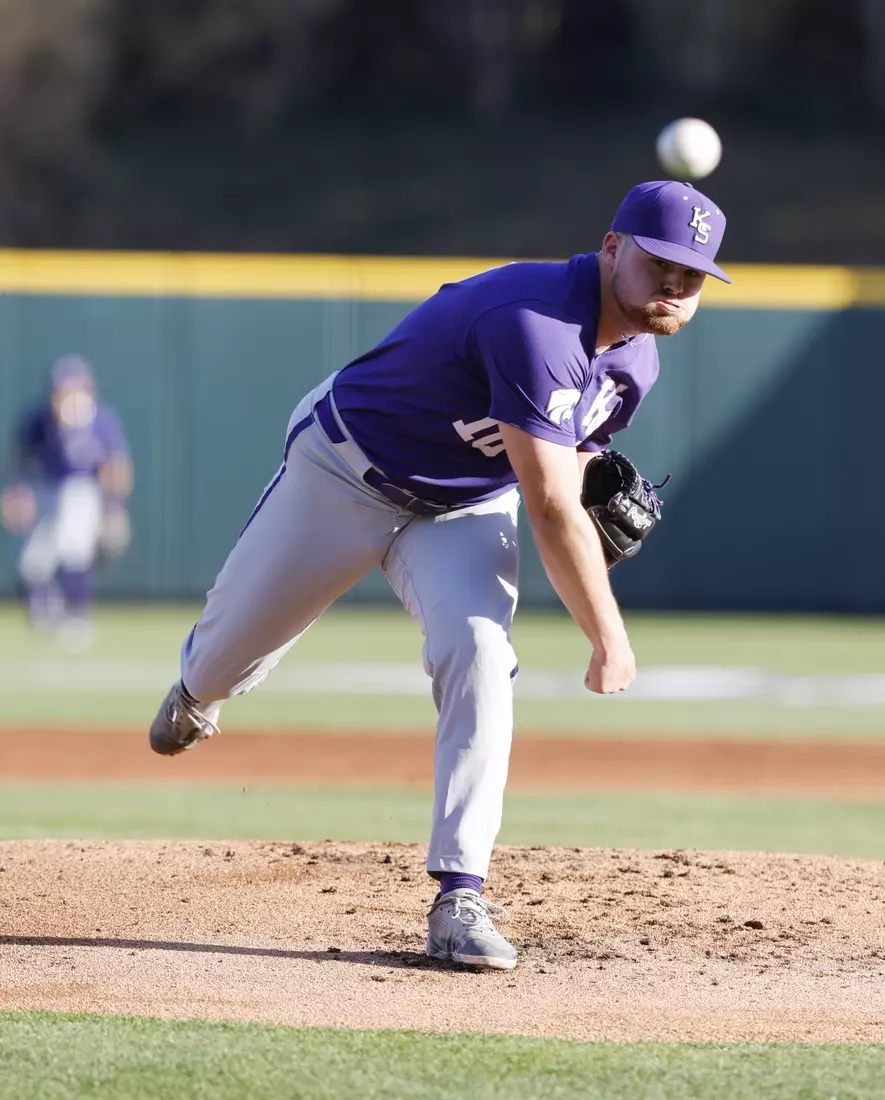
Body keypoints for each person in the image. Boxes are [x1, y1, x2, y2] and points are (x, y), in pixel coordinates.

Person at [150, 180, 730, 970]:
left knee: (483, 656)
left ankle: (460, 895)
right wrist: (608, 637)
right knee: (222, 659)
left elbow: (572, 466)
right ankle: (197, 693)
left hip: (461, 508)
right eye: (660, 260)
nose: (674, 283)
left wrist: (590, 479)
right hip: (345, 472)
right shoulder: (534, 320)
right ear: (611, 248)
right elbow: (553, 506)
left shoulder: (636, 366)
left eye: (693, 274)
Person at [0, 355, 133, 650]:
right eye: (63, 390)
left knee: (74, 548)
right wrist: (16, 492)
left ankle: (78, 616)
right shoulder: (40, 419)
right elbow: (19, 460)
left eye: (76, 389)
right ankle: (47, 610)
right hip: (46, 488)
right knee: (30, 562)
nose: (69, 397)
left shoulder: (101, 419)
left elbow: (116, 465)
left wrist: (114, 507)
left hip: (83, 490)